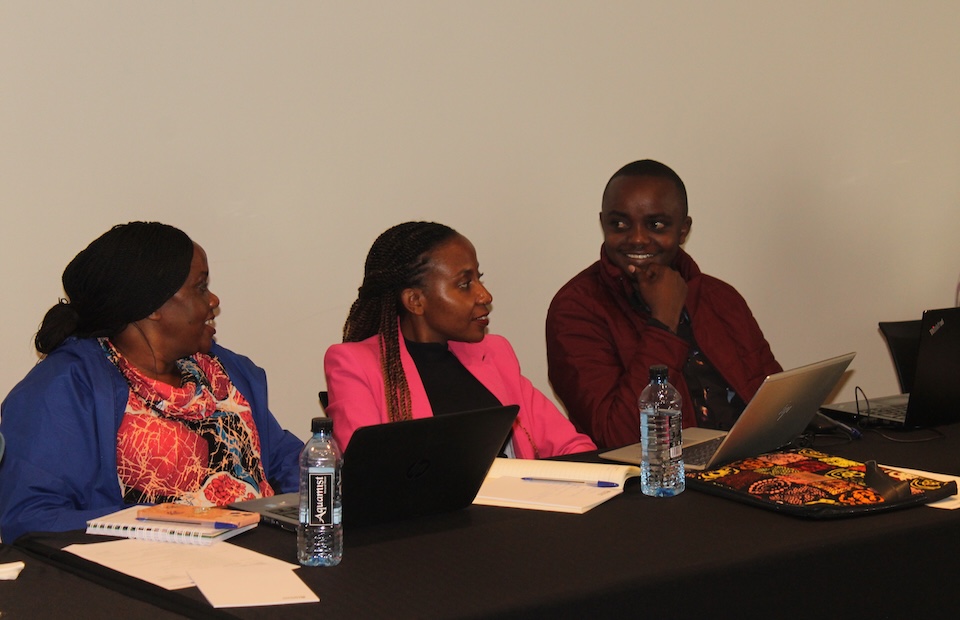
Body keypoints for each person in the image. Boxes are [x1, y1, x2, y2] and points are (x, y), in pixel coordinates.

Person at [0, 222, 303, 543]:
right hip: (143, 576)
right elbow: (29, 515)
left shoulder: (225, 373)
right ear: (153, 304)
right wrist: (166, 522)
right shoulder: (65, 388)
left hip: (262, 558)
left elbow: (286, 461)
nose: (214, 300)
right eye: (200, 287)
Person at [546, 160, 781, 449]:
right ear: (603, 223)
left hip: (746, 464)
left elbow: (775, 403)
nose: (637, 239)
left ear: (683, 230)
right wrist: (663, 323)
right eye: (619, 224)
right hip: (657, 483)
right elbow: (618, 438)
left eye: (656, 225)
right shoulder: (576, 309)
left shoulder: (720, 297)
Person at [324, 221, 596, 458]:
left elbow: (569, 445)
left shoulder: (494, 352)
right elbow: (371, 472)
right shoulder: (355, 364)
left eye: (479, 278)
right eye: (465, 284)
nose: (485, 296)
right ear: (415, 300)